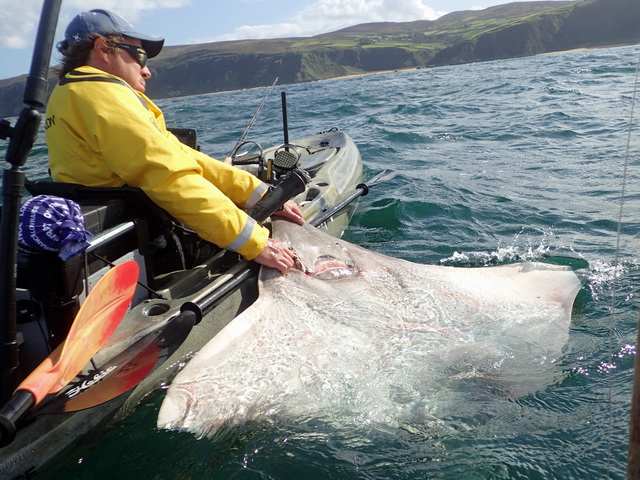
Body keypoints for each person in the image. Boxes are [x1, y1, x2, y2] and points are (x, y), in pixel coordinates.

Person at [44, 9, 303, 275]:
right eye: (139, 55)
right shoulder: (100, 95)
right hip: (153, 246)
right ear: (103, 49)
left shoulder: (69, 93)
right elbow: (167, 175)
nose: (146, 72)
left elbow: (180, 154)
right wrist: (256, 242)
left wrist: (260, 193)